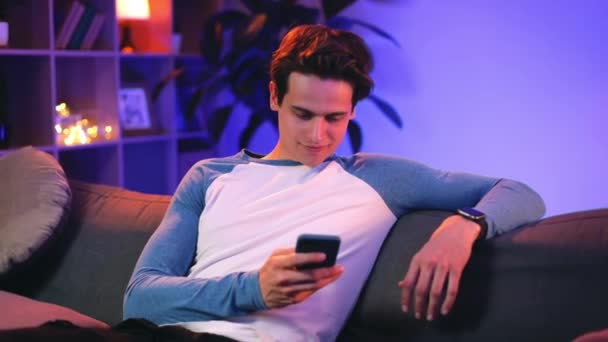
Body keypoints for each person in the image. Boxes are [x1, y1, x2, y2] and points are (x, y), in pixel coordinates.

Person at [122, 24, 545, 341]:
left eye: (334, 118)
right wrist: (255, 289)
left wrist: (461, 227)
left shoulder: (377, 178)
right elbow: (139, 298)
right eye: (303, 114)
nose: (318, 136)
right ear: (274, 97)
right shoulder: (210, 176)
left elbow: (520, 192)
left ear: (352, 110)